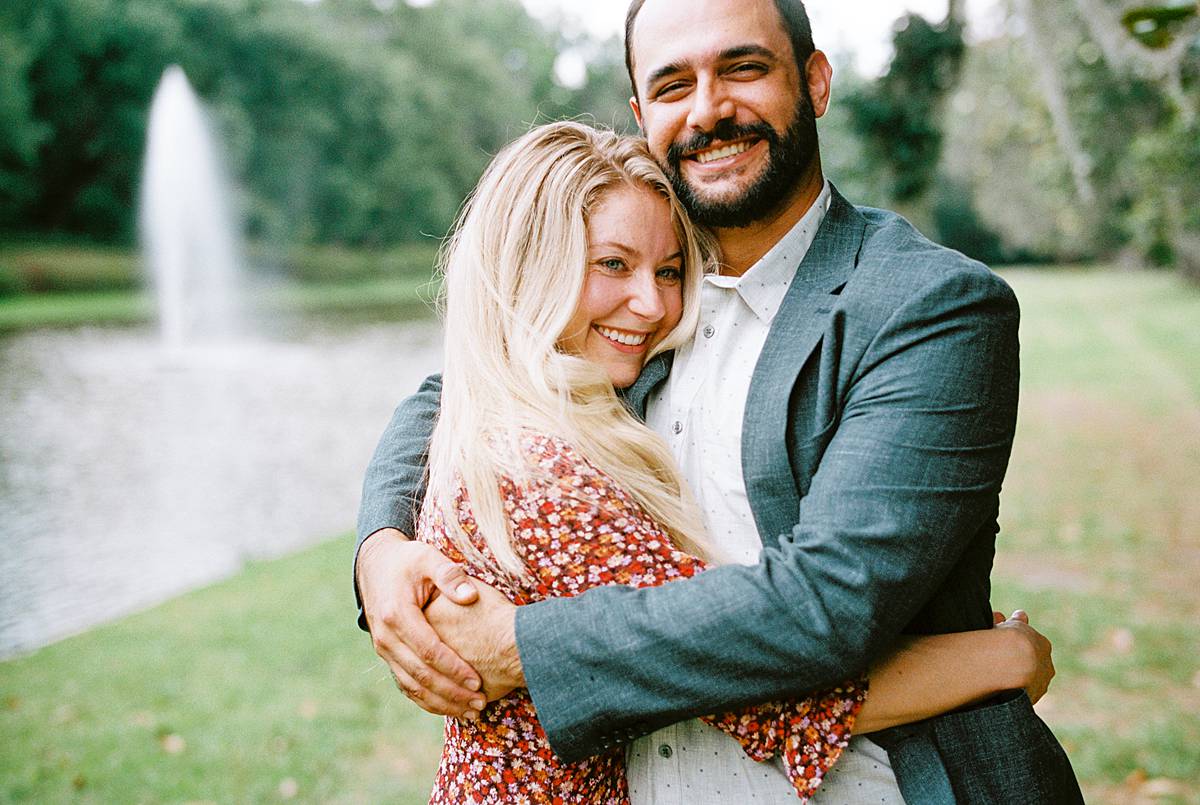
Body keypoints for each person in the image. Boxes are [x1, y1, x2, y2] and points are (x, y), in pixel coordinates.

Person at [356, 0, 1085, 802]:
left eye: (742, 67)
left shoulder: (927, 305)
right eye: (672, 84)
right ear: (642, 114)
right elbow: (469, 383)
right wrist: (381, 550)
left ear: (814, 80)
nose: (708, 109)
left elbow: (826, 607)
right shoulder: (639, 301)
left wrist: (527, 645)